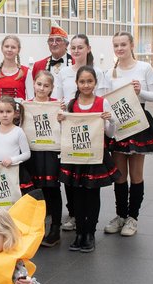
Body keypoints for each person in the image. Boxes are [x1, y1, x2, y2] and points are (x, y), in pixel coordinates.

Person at [103, 32, 153, 237]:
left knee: (136, 175)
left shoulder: (144, 68)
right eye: (116, 45)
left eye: (123, 44)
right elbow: (104, 98)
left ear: (131, 45)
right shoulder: (110, 72)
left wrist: (141, 92)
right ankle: (120, 215)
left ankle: (133, 218)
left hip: (138, 122)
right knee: (120, 175)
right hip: (117, 123)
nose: (119, 48)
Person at [58, 66, 120, 252]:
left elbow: (110, 133)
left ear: (95, 83)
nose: (86, 85)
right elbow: (65, 133)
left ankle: (90, 233)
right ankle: (79, 233)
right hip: (75, 157)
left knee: (92, 194)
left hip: (95, 157)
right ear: (76, 83)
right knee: (76, 195)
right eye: (82, 81)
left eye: (89, 81)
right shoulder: (70, 104)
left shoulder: (102, 103)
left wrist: (110, 120)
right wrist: (61, 120)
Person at [52, 34, 105, 232]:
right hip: (70, 126)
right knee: (71, 176)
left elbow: (102, 99)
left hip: (92, 130)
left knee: (90, 182)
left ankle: (88, 226)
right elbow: (58, 99)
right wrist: (61, 112)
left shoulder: (98, 71)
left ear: (88, 48)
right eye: (72, 47)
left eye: (80, 47)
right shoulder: (64, 72)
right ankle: (74, 214)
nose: (76, 50)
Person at [26, 70, 63, 247]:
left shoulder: (57, 105)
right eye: (39, 84)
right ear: (34, 84)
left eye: (46, 85)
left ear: (52, 88)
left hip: (51, 152)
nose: (42, 88)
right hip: (33, 153)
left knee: (53, 190)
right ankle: (37, 228)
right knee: (36, 191)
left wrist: (62, 117)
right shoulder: (26, 105)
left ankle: (55, 229)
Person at [0, 97, 33, 194]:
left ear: (15, 113)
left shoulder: (18, 131)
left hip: (14, 170)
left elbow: (27, 154)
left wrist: (12, 160)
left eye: (8, 111)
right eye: (1, 112)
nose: (5, 115)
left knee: (15, 200)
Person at [0, 35, 34, 100]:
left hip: (19, 110)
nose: (9, 50)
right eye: (7, 46)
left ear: (18, 50)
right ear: (2, 48)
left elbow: (31, 99)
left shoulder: (26, 72)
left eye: (13, 47)